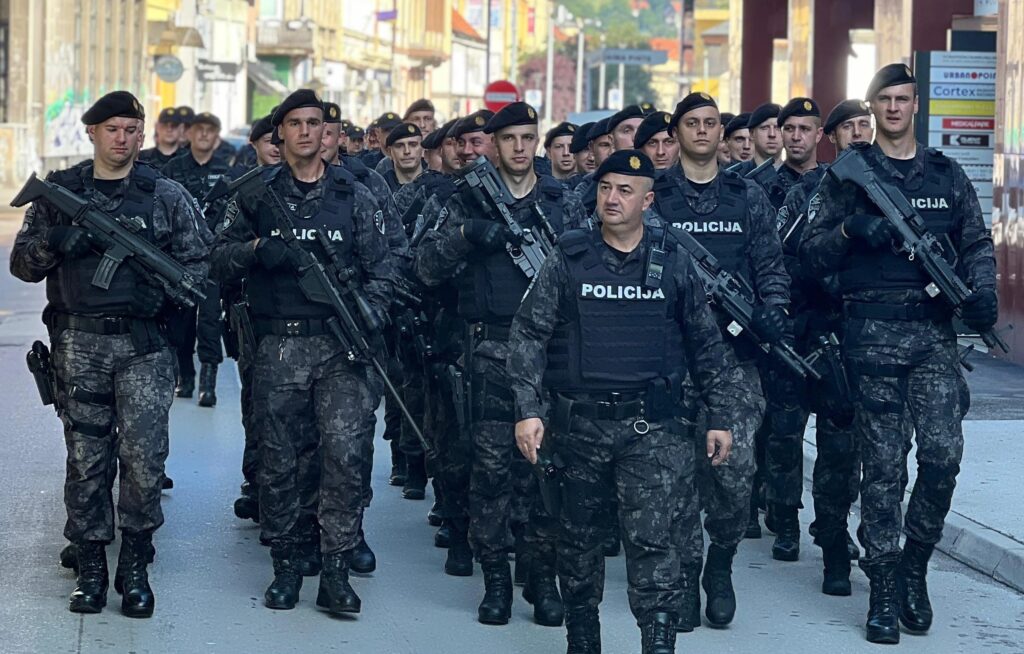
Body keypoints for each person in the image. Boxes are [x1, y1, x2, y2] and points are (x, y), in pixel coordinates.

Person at [508, 149, 740, 654]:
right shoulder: (568, 258)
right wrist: (528, 409)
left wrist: (719, 415)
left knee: (654, 541)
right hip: (579, 427)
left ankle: (658, 641)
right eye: (605, 188)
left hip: (650, 429)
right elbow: (528, 335)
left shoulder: (673, 262)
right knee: (578, 542)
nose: (612, 199)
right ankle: (583, 637)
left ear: (647, 201)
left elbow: (705, 344)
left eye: (625, 191)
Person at [799, 63, 997, 644]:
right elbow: (810, 254)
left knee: (942, 456)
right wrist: (850, 231)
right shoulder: (847, 177)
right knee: (883, 470)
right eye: (883, 99)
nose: (893, 108)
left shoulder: (946, 174)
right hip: (871, 338)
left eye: (902, 99)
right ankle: (883, 585)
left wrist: (984, 293)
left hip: (933, 340)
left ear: (915, 105)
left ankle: (916, 562)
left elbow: (975, 241)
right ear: (873, 106)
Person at [10, 90, 211, 617]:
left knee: (144, 459)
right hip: (79, 344)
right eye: (112, 130)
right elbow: (22, 266)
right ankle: (92, 567)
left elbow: (200, 266)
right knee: (85, 460)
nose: (121, 139)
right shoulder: (59, 193)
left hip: (144, 347)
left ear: (142, 136)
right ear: (93, 133)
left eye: (131, 130)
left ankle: (135, 565)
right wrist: (56, 240)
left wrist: (162, 297)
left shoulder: (165, 195)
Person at [210, 89, 393, 616]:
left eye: (315, 123)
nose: (307, 132)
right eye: (296, 124)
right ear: (281, 134)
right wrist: (255, 250)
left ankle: (335, 569)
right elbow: (214, 258)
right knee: (280, 460)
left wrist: (368, 316)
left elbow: (385, 269)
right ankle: (287, 564)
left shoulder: (355, 195)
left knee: (346, 457)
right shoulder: (254, 196)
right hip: (279, 346)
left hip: (341, 348)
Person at [414, 102, 587, 628]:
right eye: (508, 138)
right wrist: (466, 236)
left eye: (527, 137)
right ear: (491, 144)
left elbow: (589, 270)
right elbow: (423, 267)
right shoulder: (465, 200)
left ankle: (541, 576)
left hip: (551, 356)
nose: (518, 147)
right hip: (490, 350)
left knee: (548, 471)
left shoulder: (562, 202)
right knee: (490, 471)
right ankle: (494, 578)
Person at [652, 92, 789, 629]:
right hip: (672, 357)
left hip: (734, 361)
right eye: (692, 123)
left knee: (734, 477)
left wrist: (773, 309)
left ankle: (721, 562)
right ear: (677, 132)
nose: (703, 131)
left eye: (711, 122)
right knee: (676, 478)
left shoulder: (746, 195)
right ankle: (686, 575)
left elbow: (770, 263)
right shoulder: (655, 195)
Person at [772, 98, 875, 591]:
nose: (858, 133)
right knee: (786, 432)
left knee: (842, 443)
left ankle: (834, 534)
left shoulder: (890, 187)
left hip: (858, 333)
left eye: (863, 125)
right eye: (848, 126)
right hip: (807, 326)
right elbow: (782, 254)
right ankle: (785, 518)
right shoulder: (811, 192)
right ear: (832, 137)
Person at [161, 111, 233, 406]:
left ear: (216, 136)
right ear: (189, 134)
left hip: (213, 258)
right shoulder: (173, 169)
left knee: (210, 321)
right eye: (199, 129)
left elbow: (233, 213)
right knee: (181, 321)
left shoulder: (226, 171)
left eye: (210, 130)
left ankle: (208, 383)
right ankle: (186, 376)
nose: (204, 134)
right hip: (181, 259)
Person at [730, 103, 782, 176]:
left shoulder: (797, 175)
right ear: (751, 133)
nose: (772, 134)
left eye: (778, 128)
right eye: (765, 128)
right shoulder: (732, 176)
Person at [382, 123, 426, 192]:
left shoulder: (436, 183)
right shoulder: (380, 186)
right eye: (399, 146)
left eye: (413, 145)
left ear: (422, 149)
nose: (407, 151)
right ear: (389, 152)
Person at [568, 121, 597, 186]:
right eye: (585, 150)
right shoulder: (561, 189)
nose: (591, 158)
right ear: (574, 154)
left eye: (596, 150)